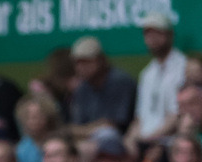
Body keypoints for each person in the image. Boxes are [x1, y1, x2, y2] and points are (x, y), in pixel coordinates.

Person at [126, 12, 186, 151]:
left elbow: (176, 117)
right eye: (148, 34)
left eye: (157, 33)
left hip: (167, 143)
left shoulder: (183, 68)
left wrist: (148, 140)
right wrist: (129, 140)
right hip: (144, 141)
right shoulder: (146, 74)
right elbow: (139, 118)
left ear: (169, 35)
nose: (152, 38)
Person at [67, 36, 137, 138]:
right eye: (78, 63)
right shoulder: (82, 88)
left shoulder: (119, 81)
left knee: (106, 135)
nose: (81, 67)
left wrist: (83, 130)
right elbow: (76, 125)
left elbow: (114, 125)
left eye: (86, 61)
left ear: (101, 60)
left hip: (122, 140)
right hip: (88, 140)